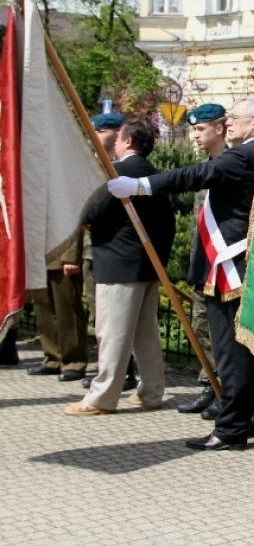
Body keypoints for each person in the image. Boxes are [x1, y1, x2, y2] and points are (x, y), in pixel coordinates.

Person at [106, 96, 254, 449]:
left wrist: (142, 185)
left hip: (231, 263)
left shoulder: (245, 154)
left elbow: (195, 174)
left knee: (231, 351)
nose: (229, 122)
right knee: (252, 349)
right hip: (245, 262)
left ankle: (231, 429)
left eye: (236, 118)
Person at [66, 120, 175, 415]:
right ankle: (151, 392)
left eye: (118, 139)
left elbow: (94, 212)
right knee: (145, 335)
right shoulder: (154, 175)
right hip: (146, 265)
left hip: (118, 263)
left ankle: (102, 396)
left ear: (128, 142)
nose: (114, 143)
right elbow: (169, 223)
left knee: (112, 333)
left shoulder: (119, 172)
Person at [175, 104, 227, 418]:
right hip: (203, 262)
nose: (195, 135)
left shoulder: (230, 166)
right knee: (201, 325)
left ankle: (227, 389)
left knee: (223, 331)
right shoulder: (206, 167)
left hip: (225, 266)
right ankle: (210, 383)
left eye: (200, 129)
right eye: (194, 129)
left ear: (219, 129)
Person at [83, 113, 138, 391]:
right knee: (100, 316)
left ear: (117, 134)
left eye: (103, 130)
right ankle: (106, 367)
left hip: (116, 254)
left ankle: (122, 373)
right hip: (94, 252)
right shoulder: (90, 164)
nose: (97, 134)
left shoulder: (121, 168)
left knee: (119, 320)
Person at [26, 231, 87, 382]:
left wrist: (72, 257)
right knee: (44, 310)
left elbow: (73, 223)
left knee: (68, 311)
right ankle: (53, 358)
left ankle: (74, 362)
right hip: (39, 258)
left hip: (62, 258)